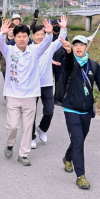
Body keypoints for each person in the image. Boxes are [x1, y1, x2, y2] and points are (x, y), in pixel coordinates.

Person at [57, 35, 100, 189]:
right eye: (75, 45)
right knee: (78, 141)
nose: (78, 47)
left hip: (86, 111)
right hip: (70, 108)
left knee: (79, 140)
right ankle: (81, 176)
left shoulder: (94, 66)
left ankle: (68, 157)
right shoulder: (69, 62)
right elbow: (69, 61)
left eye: (81, 45)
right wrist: (69, 52)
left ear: (86, 47)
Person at [0, 18, 56, 166]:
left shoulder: (35, 50)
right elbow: (0, 43)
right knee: (12, 126)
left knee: (28, 127)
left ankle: (23, 154)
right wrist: (2, 33)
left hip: (30, 95)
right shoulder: (9, 50)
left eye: (24, 36)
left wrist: (49, 34)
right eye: (19, 36)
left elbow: (47, 43)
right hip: (13, 94)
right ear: (14, 38)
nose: (22, 39)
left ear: (28, 38)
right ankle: (10, 144)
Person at [30, 16, 68, 148]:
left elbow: (61, 40)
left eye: (42, 34)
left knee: (49, 111)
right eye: (37, 35)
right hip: (32, 86)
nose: (40, 37)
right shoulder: (29, 49)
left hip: (46, 84)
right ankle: (31, 137)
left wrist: (63, 28)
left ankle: (42, 129)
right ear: (33, 36)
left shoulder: (50, 47)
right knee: (31, 113)